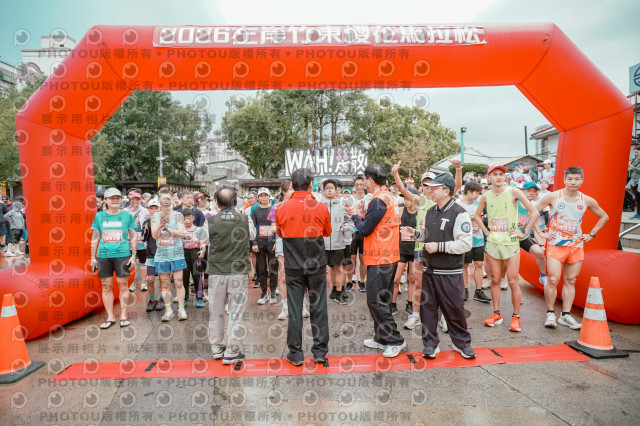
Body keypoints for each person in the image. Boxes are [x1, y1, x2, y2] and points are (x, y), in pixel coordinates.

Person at [401, 172, 476, 359]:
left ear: (446, 191)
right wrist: (415, 234)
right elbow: (428, 236)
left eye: (435, 188)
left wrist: (439, 247)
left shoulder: (459, 213)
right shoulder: (430, 211)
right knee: (427, 310)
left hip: (450, 272)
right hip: (429, 270)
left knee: (455, 310)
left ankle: (462, 343)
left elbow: (465, 244)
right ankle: (430, 344)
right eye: (429, 188)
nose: (430, 191)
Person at [536, 166, 609, 329]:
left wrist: (592, 234)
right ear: (564, 180)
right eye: (570, 179)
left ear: (582, 180)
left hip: (575, 245)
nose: (573, 182)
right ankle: (550, 313)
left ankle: (566, 315)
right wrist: (540, 232)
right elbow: (533, 212)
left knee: (571, 280)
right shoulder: (553, 196)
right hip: (556, 244)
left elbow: (604, 216)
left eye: (577, 179)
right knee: (553, 279)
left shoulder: (587, 200)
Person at [346, 164, 405, 358]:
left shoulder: (379, 200)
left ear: (370, 180)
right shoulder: (387, 197)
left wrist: (354, 215)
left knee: (376, 300)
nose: (363, 183)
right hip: (387, 255)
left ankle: (395, 340)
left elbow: (364, 229)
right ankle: (381, 337)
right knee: (383, 300)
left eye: (364, 179)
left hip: (381, 257)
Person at [276, 167, 332, 366]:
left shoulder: (281, 208)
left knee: (295, 309)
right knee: (319, 307)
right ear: (311, 185)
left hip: (293, 266)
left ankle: (296, 352)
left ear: (292, 185)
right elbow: (327, 232)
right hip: (316, 264)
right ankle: (320, 351)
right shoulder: (321, 207)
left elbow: (280, 233)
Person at [474, 165, 539, 333]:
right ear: (489, 177)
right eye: (495, 174)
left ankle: (516, 317)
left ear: (505, 177)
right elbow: (477, 215)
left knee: (512, 280)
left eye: (501, 174)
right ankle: (496, 314)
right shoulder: (486, 196)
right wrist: (486, 232)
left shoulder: (514, 192)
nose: (498, 177)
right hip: (493, 243)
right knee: (495, 280)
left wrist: (524, 232)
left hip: (511, 243)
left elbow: (534, 212)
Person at [206, 186, 256, 364]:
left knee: (216, 311)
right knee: (236, 312)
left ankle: (216, 347)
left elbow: (202, 239)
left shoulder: (210, 221)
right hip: (238, 271)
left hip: (216, 271)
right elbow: (252, 235)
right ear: (236, 202)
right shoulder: (244, 218)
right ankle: (232, 350)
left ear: (217, 203)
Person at [90, 188, 137, 329]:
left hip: (122, 255)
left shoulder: (127, 216)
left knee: (123, 285)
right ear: (105, 200)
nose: (115, 200)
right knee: (106, 286)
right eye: (111, 198)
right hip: (103, 256)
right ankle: (110, 317)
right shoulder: (99, 216)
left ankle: (124, 315)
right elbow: (95, 238)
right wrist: (92, 257)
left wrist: (133, 256)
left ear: (121, 200)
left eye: (117, 198)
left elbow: (133, 236)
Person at [151, 189, 188, 322]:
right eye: (163, 199)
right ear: (159, 201)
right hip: (162, 255)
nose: (166, 202)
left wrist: (169, 229)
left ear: (172, 200)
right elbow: (154, 236)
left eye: (168, 199)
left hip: (177, 254)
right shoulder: (154, 216)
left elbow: (181, 233)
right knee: (165, 284)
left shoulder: (178, 215)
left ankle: (181, 309)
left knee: (179, 282)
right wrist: (160, 226)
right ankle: (168, 310)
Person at [456, 181, 491, 303]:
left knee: (479, 264)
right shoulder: (457, 204)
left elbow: (481, 217)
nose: (478, 195)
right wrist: (471, 217)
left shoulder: (478, 203)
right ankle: (464, 289)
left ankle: (478, 291)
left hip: (478, 238)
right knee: (464, 265)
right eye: (476, 193)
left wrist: (478, 218)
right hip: (464, 240)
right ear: (469, 192)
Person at [320, 179, 354, 306]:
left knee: (340, 267)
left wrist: (345, 228)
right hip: (325, 243)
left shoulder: (342, 205)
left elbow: (350, 221)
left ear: (336, 190)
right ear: (324, 190)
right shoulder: (319, 205)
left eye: (332, 188)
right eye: (327, 188)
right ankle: (334, 289)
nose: (329, 190)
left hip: (339, 241)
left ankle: (340, 292)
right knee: (332, 267)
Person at [391, 187, 419, 318]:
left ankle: (410, 303)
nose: (405, 200)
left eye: (408, 198)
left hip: (414, 250)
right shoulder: (401, 209)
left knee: (412, 278)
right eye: (404, 198)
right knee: (396, 279)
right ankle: (392, 303)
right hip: (401, 249)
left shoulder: (420, 212)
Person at [517, 182, 549, 286]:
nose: (531, 193)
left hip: (523, 236)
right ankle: (501, 278)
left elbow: (535, 228)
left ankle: (543, 276)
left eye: (534, 191)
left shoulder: (533, 208)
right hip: (510, 237)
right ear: (522, 192)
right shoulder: (515, 203)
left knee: (539, 252)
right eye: (528, 191)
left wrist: (541, 245)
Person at [251, 187, 278, 305]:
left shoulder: (274, 209)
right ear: (258, 198)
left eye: (265, 195)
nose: (263, 198)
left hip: (272, 243)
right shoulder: (255, 211)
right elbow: (253, 228)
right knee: (261, 269)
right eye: (261, 196)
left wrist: (276, 242)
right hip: (260, 243)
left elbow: (277, 226)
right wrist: (254, 243)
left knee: (273, 269)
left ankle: (273, 292)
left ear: (269, 197)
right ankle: (263, 292)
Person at [345, 175, 371, 292]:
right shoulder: (349, 199)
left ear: (364, 186)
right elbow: (346, 214)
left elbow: (371, 214)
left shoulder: (369, 198)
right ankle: (349, 281)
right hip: (352, 231)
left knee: (363, 258)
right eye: (357, 185)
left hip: (364, 231)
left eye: (361, 184)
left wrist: (364, 209)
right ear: (354, 186)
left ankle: (362, 281)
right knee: (352, 257)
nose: (359, 187)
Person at [181, 208, 209, 308]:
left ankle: (199, 298)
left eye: (188, 218)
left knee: (197, 276)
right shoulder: (180, 231)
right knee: (184, 276)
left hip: (195, 253)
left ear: (193, 217)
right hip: (183, 253)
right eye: (184, 219)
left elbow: (203, 243)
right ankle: (184, 298)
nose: (186, 221)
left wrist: (203, 250)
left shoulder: (198, 230)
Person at [124, 192, 150, 292]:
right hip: (129, 241)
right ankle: (131, 282)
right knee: (130, 261)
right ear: (130, 200)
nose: (135, 201)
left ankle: (144, 282)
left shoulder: (145, 211)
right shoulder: (125, 211)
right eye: (133, 199)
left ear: (140, 200)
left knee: (143, 261)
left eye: (137, 199)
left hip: (142, 241)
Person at [141, 199, 164, 312]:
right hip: (150, 254)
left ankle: (160, 299)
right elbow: (144, 238)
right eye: (151, 208)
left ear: (160, 209)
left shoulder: (164, 221)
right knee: (150, 280)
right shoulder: (146, 222)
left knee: (162, 278)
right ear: (148, 209)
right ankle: (151, 299)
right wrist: (145, 231)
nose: (154, 210)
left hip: (163, 254)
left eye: (156, 208)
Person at [628, 145, 640, 220]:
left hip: (638, 180)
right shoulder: (637, 159)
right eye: (635, 152)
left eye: (637, 152)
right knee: (637, 197)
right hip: (634, 180)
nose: (636, 154)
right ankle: (638, 213)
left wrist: (632, 167)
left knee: (639, 197)